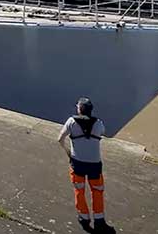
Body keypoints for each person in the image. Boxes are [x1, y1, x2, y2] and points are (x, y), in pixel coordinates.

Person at [57, 97, 114, 233]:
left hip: (77, 164)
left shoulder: (71, 121)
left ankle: (84, 218)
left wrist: (68, 153)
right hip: (94, 164)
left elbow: (60, 139)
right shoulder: (99, 123)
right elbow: (102, 133)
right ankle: (99, 220)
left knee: (79, 190)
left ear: (79, 109)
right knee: (97, 191)